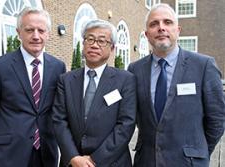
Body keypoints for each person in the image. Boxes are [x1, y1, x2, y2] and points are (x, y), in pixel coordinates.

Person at [128, 3, 225, 167]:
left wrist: (198, 152)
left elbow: (217, 119)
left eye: (167, 22)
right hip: (146, 161)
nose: (161, 28)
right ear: (146, 34)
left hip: (189, 162)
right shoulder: (135, 70)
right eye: (154, 24)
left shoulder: (204, 66)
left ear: (178, 30)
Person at [0, 7, 66, 167]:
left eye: (41, 30)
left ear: (47, 33)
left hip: (46, 153)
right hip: (8, 153)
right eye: (29, 30)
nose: (36, 36)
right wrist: (4, 136)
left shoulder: (58, 67)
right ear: (19, 32)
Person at [52, 19, 136, 167]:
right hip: (73, 162)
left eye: (102, 41)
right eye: (90, 39)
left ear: (112, 48)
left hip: (111, 162)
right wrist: (73, 157)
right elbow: (59, 120)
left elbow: (126, 125)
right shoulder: (66, 80)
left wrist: (94, 160)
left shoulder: (125, 80)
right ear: (83, 43)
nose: (94, 45)